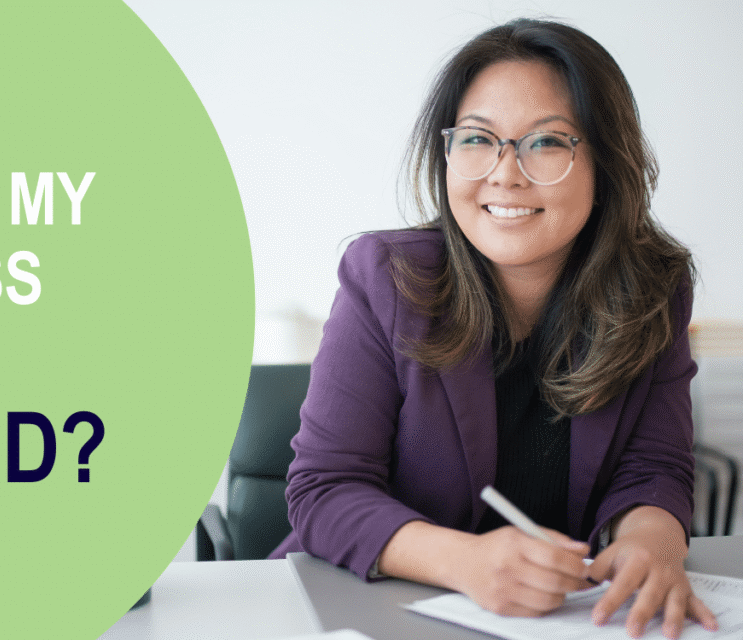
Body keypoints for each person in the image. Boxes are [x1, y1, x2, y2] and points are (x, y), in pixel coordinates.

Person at [268, 18, 719, 640]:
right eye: (478, 139)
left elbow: (654, 471)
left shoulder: (652, 289)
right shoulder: (386, 278)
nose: (505, 174)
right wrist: (467, 563)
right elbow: (323, 491)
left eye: (546, 143)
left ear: (606, 162)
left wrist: (652, 542)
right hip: (367, 615)